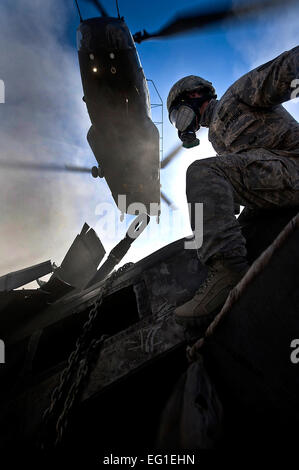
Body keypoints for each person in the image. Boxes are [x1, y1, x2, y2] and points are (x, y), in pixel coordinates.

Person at [167, 45, 299, 328]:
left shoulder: (235, 97)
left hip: (294, 165)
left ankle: (227, 271)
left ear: (192, 95)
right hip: (279, 179)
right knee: (242, 226)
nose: (181, 124)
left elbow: (284, 71)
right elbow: (242, 178)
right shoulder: (217, 138)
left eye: (178, 115)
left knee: (202, 173)